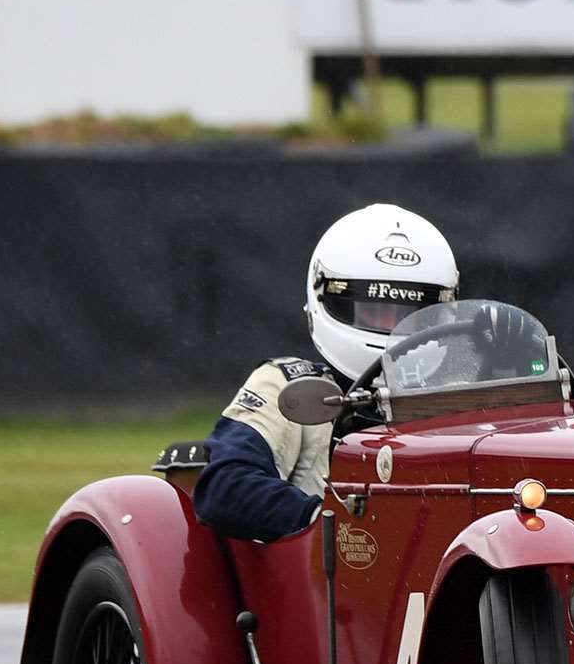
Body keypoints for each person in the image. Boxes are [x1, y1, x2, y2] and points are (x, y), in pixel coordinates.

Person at [194, 205, 460, 542]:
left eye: (409, 316)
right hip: (322, 574)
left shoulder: (452, 394)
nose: (391, 328)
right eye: (374, 311)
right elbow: (224, 488)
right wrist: (325, 519)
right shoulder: (289, 383)